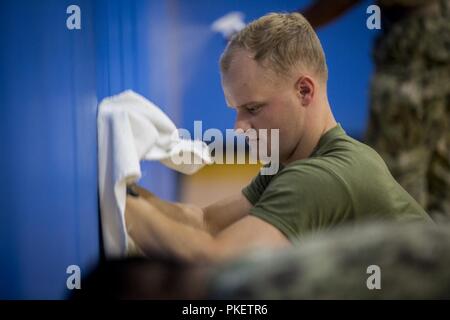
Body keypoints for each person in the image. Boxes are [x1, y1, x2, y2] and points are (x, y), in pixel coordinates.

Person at [124, 12, 432, 264]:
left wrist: (121, 206)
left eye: (253, 108)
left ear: (304, 91)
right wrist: (128, 192)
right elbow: (206, 222)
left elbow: (216, 260)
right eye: (236, 110)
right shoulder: (293, 163)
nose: (239, 128)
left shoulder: (323, 176)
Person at [299, 0, 450, 222]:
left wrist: (293, 26)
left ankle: (400, 255)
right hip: (432, 43)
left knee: (389, 192)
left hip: (417, 49)